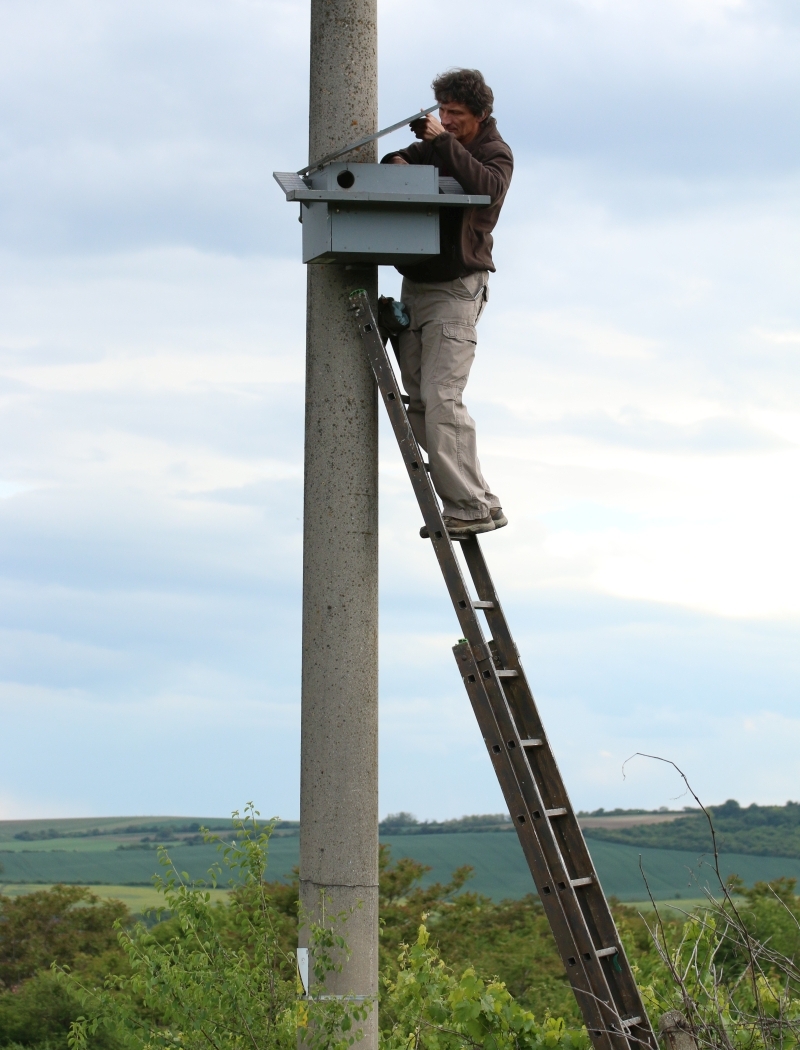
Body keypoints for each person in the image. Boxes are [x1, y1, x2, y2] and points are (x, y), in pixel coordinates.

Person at [382, 68, 513, 537]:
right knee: (419, 401)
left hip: (457, 288)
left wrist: (441, 144)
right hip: (418, 285)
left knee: (442, 398)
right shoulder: (439, 143)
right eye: (442, 112)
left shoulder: (495, 153)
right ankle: (472, 501)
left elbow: (486, 188)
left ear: (479, 114)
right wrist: (399, 163)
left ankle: (472, 507)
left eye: (455, 113)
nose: (446, 120)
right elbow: (399, 156)